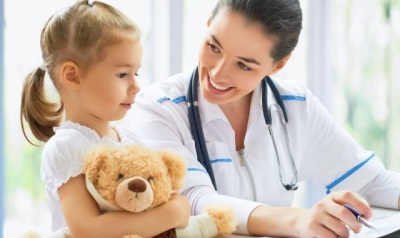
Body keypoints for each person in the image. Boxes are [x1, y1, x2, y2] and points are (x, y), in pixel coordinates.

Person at [124, 0, 400, 237]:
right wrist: (297, 220)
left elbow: (369, 182)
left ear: (279, 64)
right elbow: (195, 201)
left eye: (244, 65)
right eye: (214, 46)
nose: (218, 74)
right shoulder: (156, 109)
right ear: (208, 24)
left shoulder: (295, 107)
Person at [20, 1, 189, 237]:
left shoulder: (128, 138)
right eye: (122, 74)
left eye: (136, 73)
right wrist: (169, 215)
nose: (136, 86)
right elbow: (87, 229)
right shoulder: (68, 146)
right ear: (72, 76)